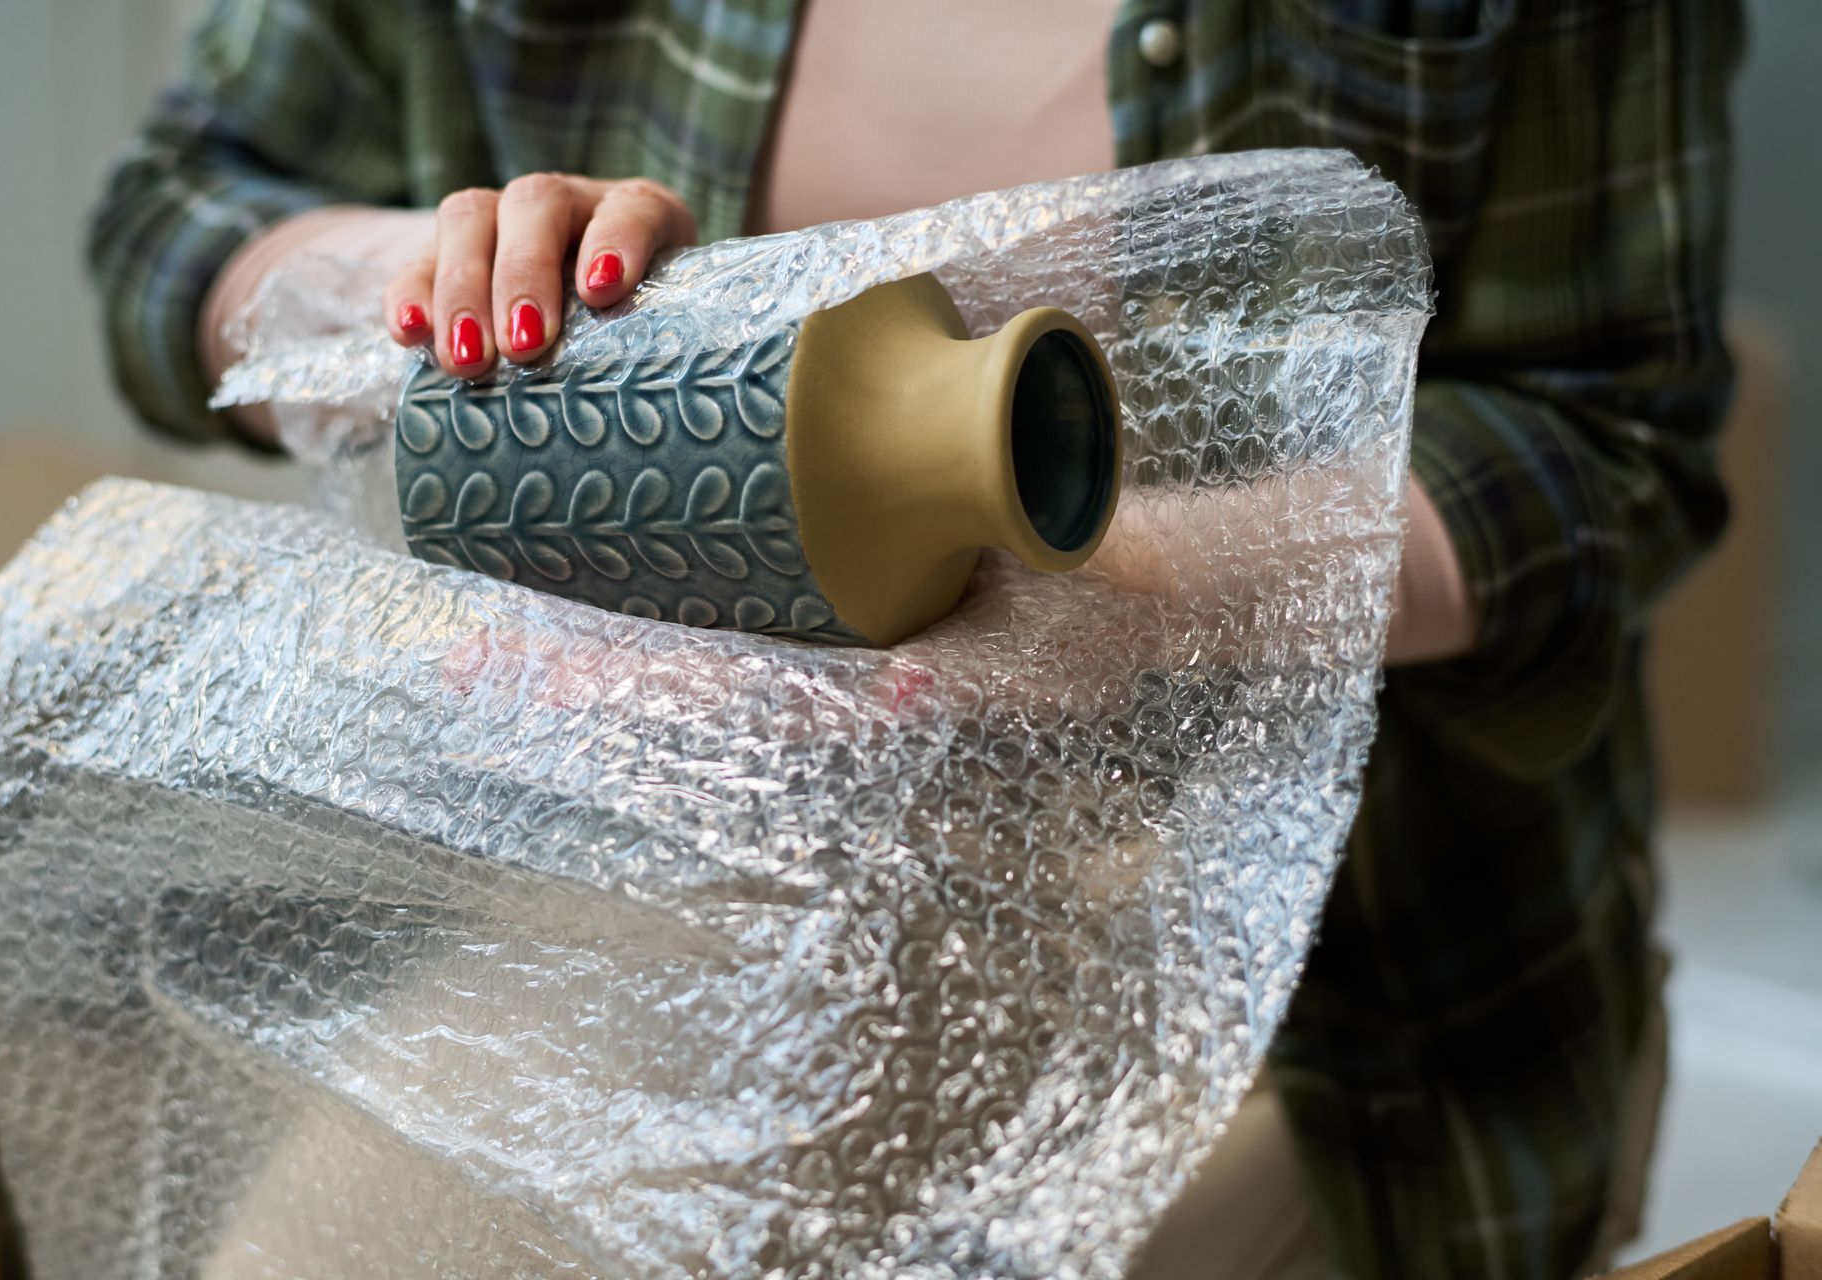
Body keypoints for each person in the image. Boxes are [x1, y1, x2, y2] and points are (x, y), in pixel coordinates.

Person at [89, 1, 1743, 1275]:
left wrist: (1139, 603)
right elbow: (169, 222)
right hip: (644, 890)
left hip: (1300, 981)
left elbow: (1606, 451)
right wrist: (424, 286)